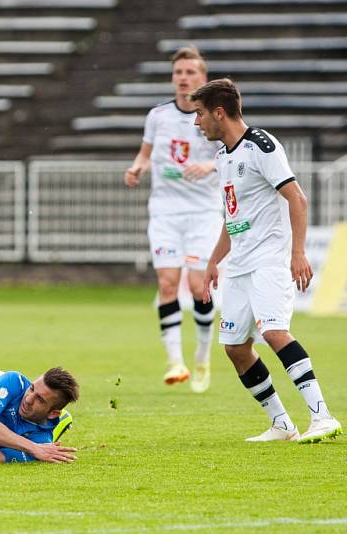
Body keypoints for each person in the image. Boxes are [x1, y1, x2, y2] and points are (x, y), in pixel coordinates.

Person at [192, 78, 341, 443]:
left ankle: (322, 416)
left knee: (274, 331)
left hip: (270, 258)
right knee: (235, 348)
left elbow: (297, 199)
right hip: (240, 263)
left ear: (219, 113)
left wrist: (297, 253)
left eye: (199, 114)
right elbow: (232, 216)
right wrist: (214, 260)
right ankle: (282, 424)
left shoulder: (262, 145)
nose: (197, 123)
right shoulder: (222, 156)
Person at [124, 47, 223, 393]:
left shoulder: (214, 116)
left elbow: (230, 153)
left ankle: (202, 354)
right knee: (167, 283)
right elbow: (145, 153)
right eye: (178, 72)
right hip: (165, 211)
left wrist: (210, 165)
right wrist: (138, 167)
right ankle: (174, 361)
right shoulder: (158, 116)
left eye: (190, 72)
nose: (183, 78)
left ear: (203, 78)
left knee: (199, 286)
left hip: (203, 212)